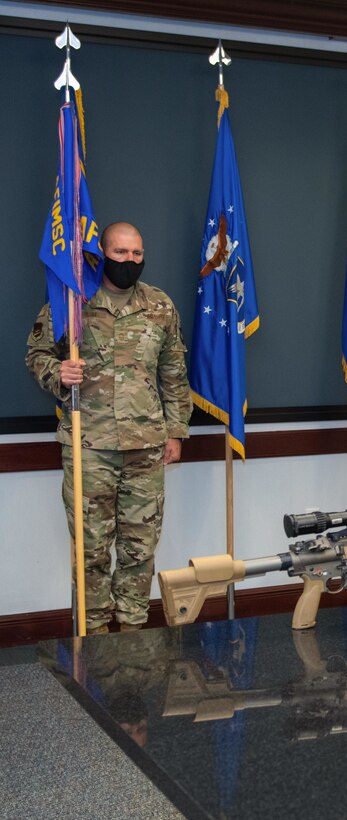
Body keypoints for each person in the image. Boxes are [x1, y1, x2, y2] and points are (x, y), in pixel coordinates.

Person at [26, 222, 192, 635]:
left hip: (146, 450)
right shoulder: (71, 301)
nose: (129, 261)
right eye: (120, 253)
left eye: (136, 254)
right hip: (89, 448)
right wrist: (57, 373)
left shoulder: (159, 306)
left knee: (140, 551)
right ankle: (95, 642)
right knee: (90, 551)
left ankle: (133, 638)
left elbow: (173, 372)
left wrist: (175, 432)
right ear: (102, 253)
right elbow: (37, 354)